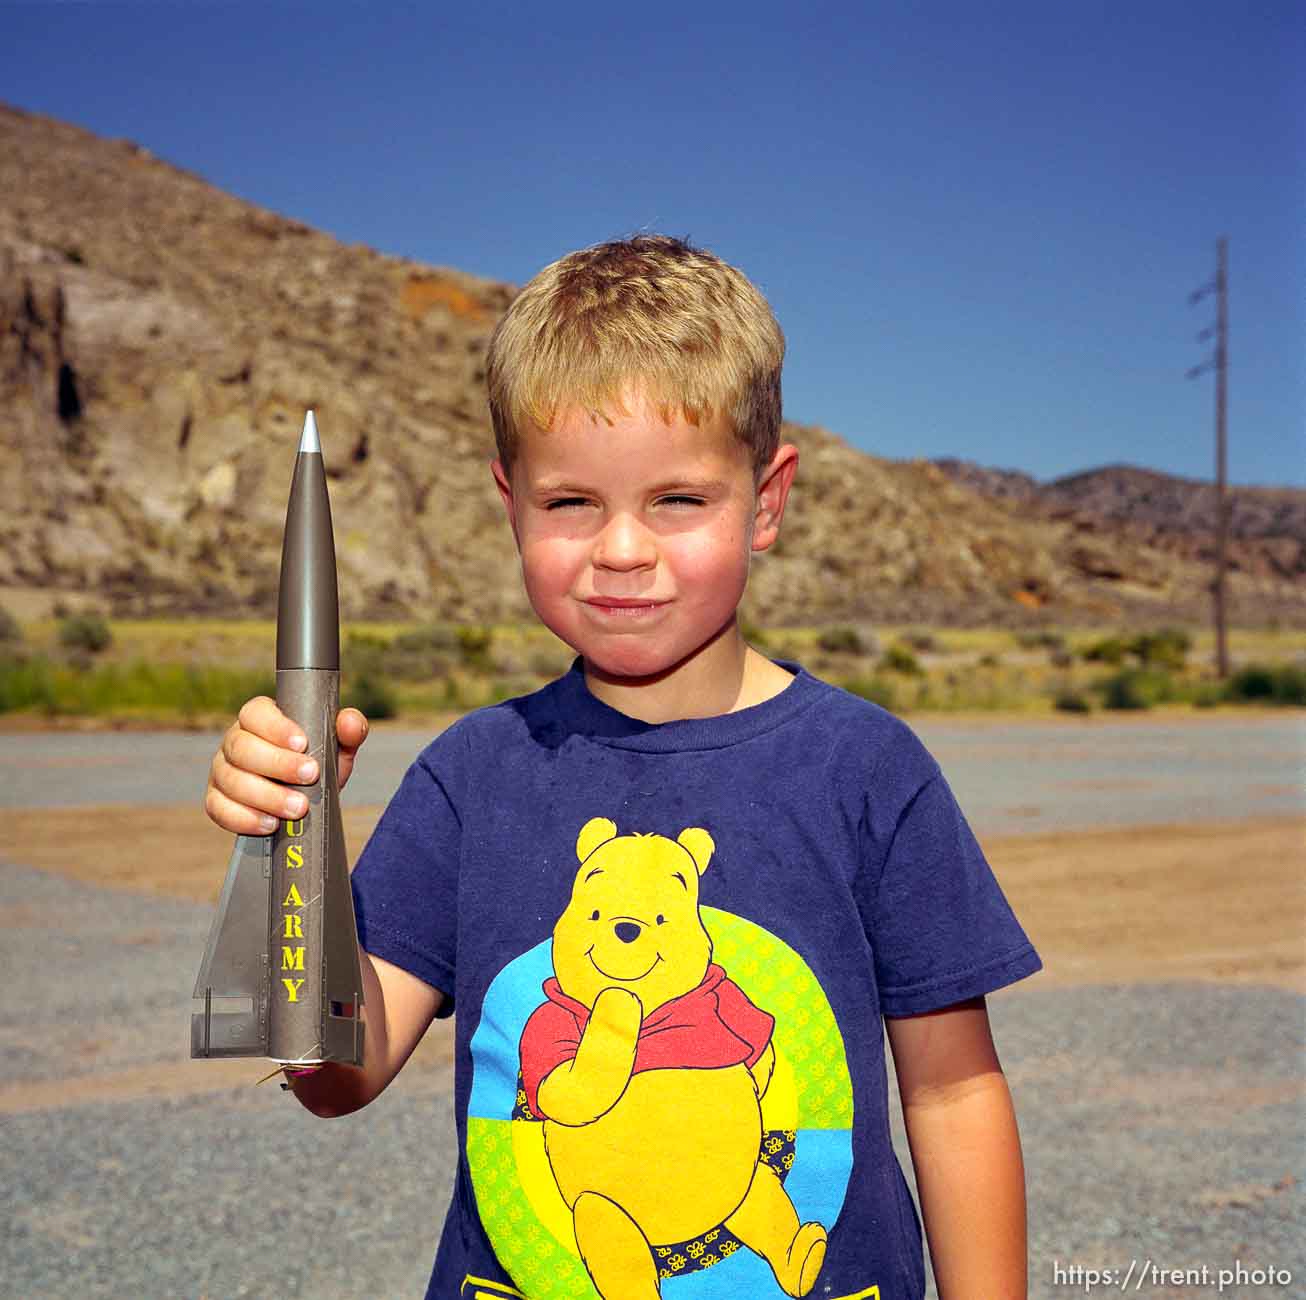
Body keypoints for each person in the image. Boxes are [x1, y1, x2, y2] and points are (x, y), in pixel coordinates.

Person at [204, 234, 1040, 1300]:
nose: (622, 550)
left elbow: (953, 1092)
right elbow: (338, 1078)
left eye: (677, 501)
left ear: (767, 500)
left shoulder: (867, 769)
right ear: (511, 503)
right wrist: (288, 845)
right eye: (571, 504)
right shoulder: (471, 777)